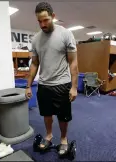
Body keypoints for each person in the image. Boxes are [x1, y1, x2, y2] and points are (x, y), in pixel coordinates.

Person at [25, 2, 78, 156]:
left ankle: (63, 139)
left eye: (46, 20)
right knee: (47, 114)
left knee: (63, 116)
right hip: (44, 85)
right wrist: (28, 86)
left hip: (62, 84)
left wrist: (74, 87)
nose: (42, 24)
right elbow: (34, 63)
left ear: (53, 17)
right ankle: (48, 136)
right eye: (39, 21)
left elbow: (73, 62)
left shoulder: (66, 34)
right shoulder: (35, 39)